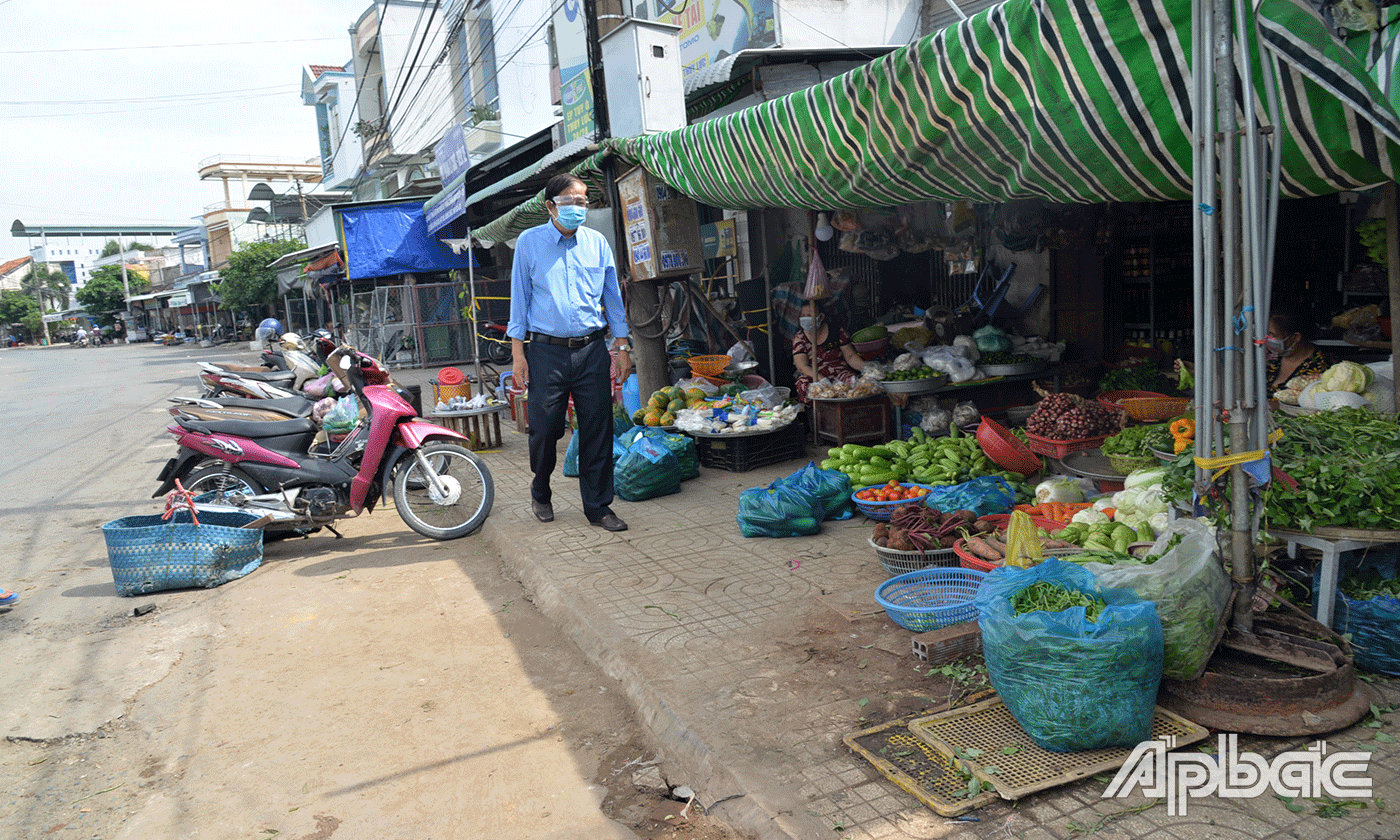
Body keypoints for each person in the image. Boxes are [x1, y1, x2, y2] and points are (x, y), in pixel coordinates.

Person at [508, 173, 632, 532]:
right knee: (545, 430)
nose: (578, 208)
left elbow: (612, 298)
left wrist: (622, 347)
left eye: (583, 201)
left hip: (592, 350)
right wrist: (519, 355)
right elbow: (520, 301)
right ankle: (540, 487)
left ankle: (598, 507)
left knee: (597, 427)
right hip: (546, 353)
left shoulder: (597, 243)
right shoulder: (529, 244)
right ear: (550, 206)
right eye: (570, 201)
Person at [792, 297, 865, 402]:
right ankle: (815, 416)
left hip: (839, 373)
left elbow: (850, 356)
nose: (805, 319)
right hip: (814, 376)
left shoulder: (836, 331)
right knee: (803, 385)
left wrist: (866, 368)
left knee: (854, 384)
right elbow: (802, 366)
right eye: (803, 316)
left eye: (809, 316)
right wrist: (822, 379)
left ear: (821, 317)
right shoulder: (799, 338)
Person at [1266, 306, 1330, 389]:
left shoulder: (1318, 367)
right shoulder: (1272, 356)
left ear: (1296, 337)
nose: (1267, 338)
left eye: (1272, 335)